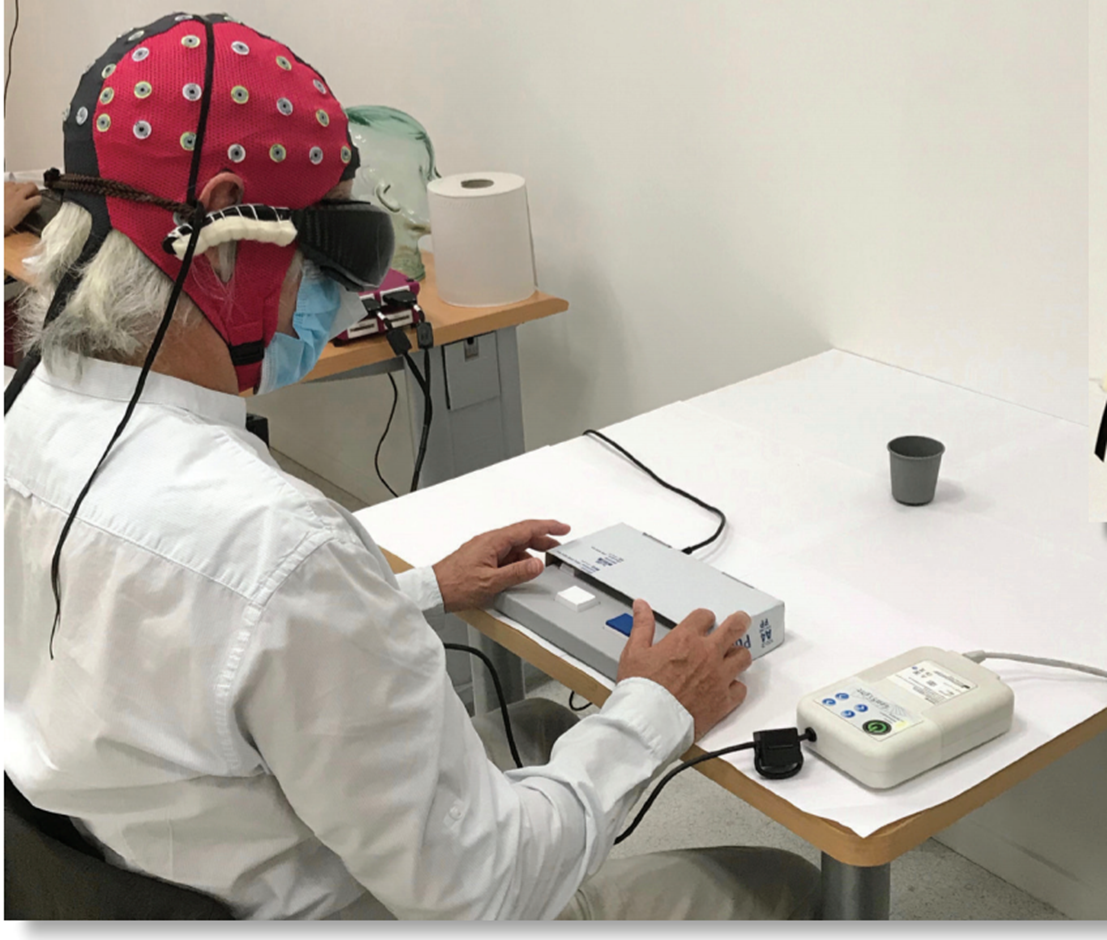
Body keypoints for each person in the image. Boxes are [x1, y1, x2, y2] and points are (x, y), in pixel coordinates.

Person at [4, 14, 819, 920]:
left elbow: (195, 635)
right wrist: (659, 707)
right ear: (227, 234)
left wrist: (416, 591)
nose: (336, 297)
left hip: (132, 866)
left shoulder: (23, 413)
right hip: (352, 908)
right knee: (779, 885)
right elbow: (485, 895)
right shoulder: (276, 544)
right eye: (331, 252)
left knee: (542, 724)